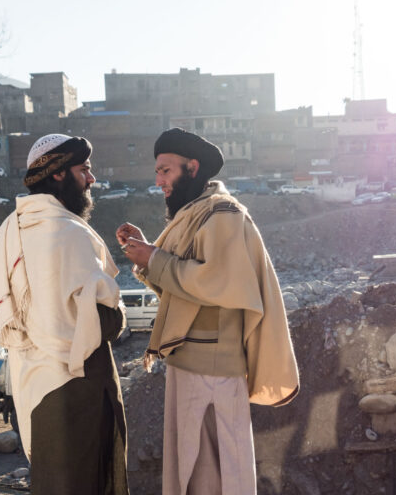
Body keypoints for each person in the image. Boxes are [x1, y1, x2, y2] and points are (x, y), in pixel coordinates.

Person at [116, 128, 299, 494]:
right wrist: (149, 255)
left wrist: (154, 258)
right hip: (189, 364)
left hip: (215, 370)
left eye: (165, 170)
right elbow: (183, 288)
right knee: (196, 472)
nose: (158, 180)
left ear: (192, 167)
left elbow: (215, 283)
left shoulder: (223, 216)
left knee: (223, 473)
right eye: (157, 171)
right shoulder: (197, 214)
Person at [0, 134, 129, 495]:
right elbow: (104, 323)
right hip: (78, 392)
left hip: (33, 390)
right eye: (84, 170)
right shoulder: (69, 233)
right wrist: (119, 313)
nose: (92, 180)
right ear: (57, 175)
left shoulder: (8, 232)